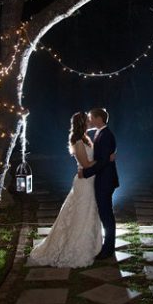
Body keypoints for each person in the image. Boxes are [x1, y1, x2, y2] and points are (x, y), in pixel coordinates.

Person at [27, 112, 102, 268]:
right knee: (82, 213)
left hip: (91, 180)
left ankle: (92, 247)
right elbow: (86, 165)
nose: (90, 122)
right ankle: (75, 250)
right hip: (84, 182)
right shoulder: (78, 141)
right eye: (88, 121)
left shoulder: (85, 138)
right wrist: (103, 159)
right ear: (82, 124)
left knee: (90, 212)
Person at [79, 107, 119, 261]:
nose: (90, 120)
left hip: (105, 181)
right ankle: (107, 246)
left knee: (106, 215)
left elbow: (103, 162)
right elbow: (103, 157)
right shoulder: (99, 133)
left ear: (99, 118)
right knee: (105, 214)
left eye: (91, 117)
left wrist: (86, 173)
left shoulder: (106, 135)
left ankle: (108, 249)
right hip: (103, 179)